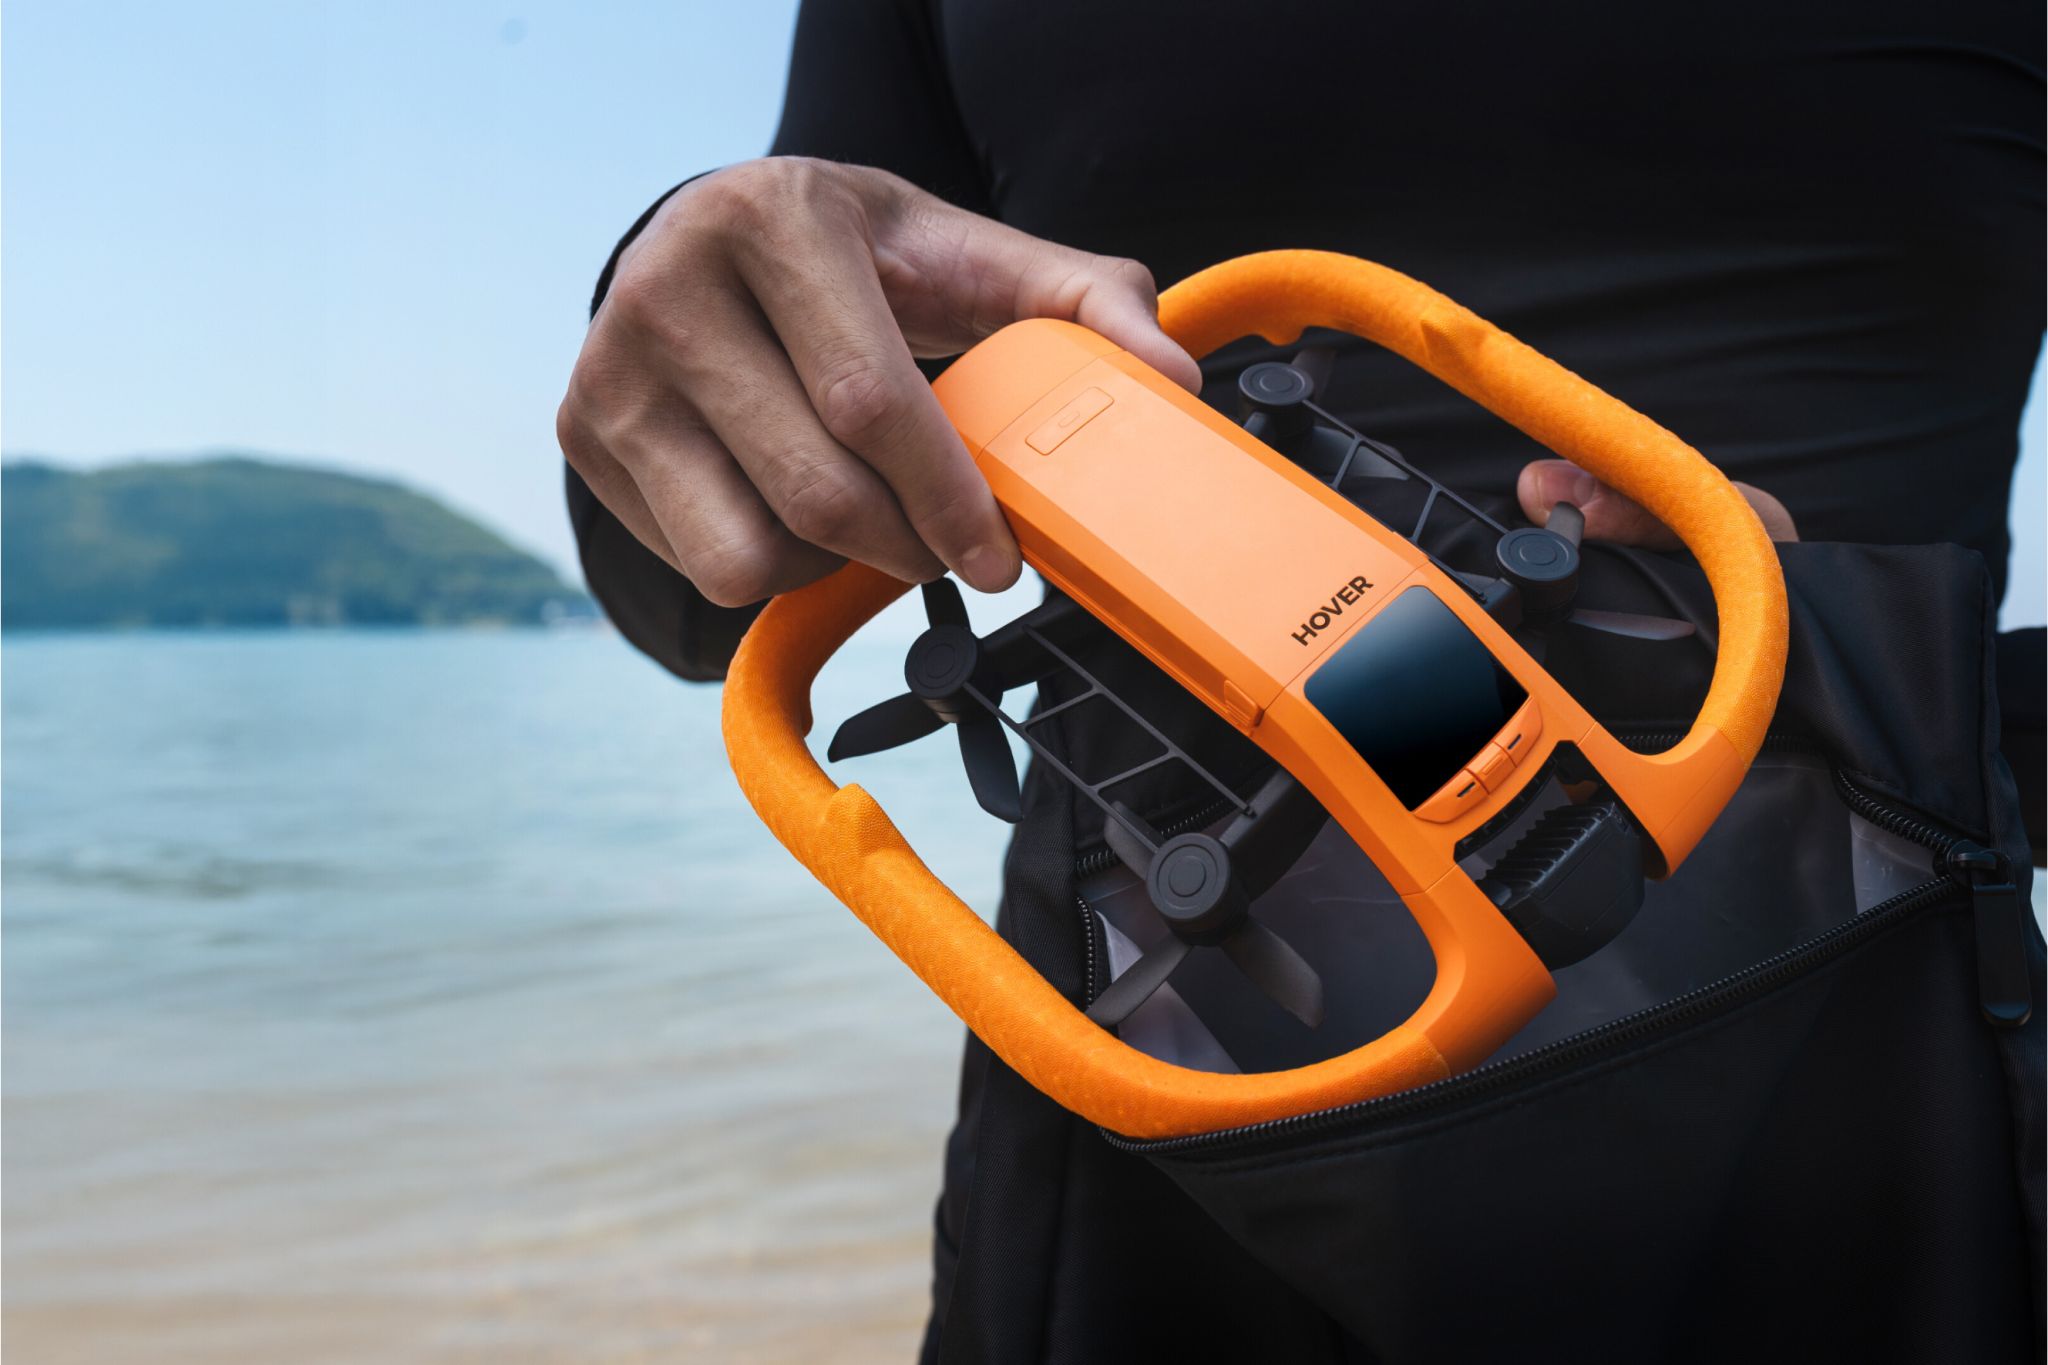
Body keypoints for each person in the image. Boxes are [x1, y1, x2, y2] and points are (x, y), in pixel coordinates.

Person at [556, 2, 2044, 1357]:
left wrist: (1873, 670)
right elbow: (704, 602)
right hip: (1155, 1110)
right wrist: (689, 306)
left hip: (1853, 1063)